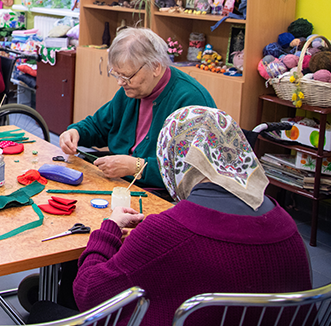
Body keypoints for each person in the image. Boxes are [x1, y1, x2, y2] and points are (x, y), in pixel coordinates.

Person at [70, 106, 312, 326]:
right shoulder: (287, 225)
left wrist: (109, 228)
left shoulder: (165, 233)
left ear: (172, 159)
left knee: (44, 311)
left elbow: (89, 294)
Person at [60, 28, 215, 189]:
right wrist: (75, 132)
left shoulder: (191, 101)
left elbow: (192, 173)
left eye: (127, 76)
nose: (120, 83)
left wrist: (137, 167)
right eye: (117, 75)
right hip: (122, 182)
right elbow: (99, 126)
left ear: (156, 67)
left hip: (159, 192)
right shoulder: (131, 90)